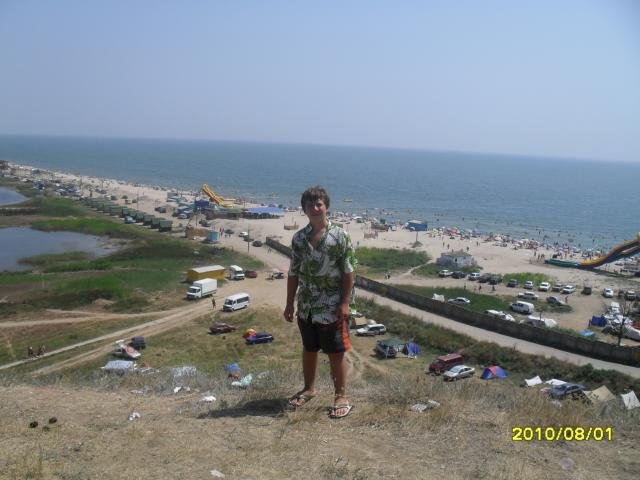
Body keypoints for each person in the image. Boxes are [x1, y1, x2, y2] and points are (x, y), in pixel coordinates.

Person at [284, 186, 357, 419]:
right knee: (309, 348)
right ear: (304, 209)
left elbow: (349, 272)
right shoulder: (299, 238)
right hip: (306, 305)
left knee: (336, 351)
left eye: (319, 204)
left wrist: (345, 302)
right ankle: (309, 389)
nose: (315, 208)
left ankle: (341, 396)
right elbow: (293, 272)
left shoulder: (340, 236)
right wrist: (289, 303)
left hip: (332, 305)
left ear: (326, 207)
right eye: (310, 205)